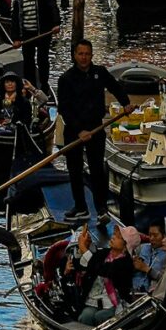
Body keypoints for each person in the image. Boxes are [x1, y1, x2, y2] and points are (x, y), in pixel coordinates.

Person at [53, 40, 135, 222]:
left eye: (87, 54)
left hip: (96, 127)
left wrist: (126, 103)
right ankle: (81, 207)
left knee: (97, 169)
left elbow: (115, 87)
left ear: (92, 55)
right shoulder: (66, 78)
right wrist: (80, 131)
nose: (84, 57)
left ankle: (101, 208)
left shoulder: (100, 72)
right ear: (75, 55)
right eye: (81, 54)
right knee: (74, 169)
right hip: (74, 129)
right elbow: (64, 109)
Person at [13, 0, 61, 94]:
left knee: (42, 59)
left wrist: (56, 23)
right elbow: (15, 19)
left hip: (43, 32)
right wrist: (16, 38)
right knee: (28, 61)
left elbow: (53, 8)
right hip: (27, 33)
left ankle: (44, 85)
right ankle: (30, 86)